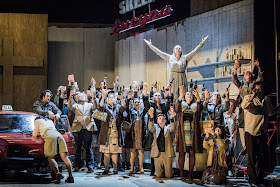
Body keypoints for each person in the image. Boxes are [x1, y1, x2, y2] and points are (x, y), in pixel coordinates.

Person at [144, 36, 208, 101]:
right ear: (174, 51)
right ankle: (174, 107)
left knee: (183, 92)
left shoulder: (185, 58)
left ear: (181, 51)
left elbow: (194, 52)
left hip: (182, 76)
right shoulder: (169, 57)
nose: (178, 49)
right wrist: (151, 46)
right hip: (173, 77)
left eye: (179, 48)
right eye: (176, 48)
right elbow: (159, 52)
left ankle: (184, 105)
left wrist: (201, 43)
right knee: (174, 93)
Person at [32, 90, 74, 184]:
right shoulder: (38, 104)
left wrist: (58, 114)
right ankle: (70, 177)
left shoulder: (39, 121)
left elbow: (57, 110)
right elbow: (37, 110)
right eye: (47, 96)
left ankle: (58, 174)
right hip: (56, 133)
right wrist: (48, 112)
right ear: (43, 96)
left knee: (51, 157)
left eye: (50, 96)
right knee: (64, 157)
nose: (49, 98)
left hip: (50, 133)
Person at [240, 82, 274, 185]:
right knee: (251, 157)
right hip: (250, 131)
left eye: (260, 90)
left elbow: (270, 112)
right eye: (256, 90)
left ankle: (260, 179)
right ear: (253, 90)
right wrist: (253, 96)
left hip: (261, 130)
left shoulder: (266, 100)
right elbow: (243, 106)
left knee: (261, 156)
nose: (258, 92)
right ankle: (252, 180)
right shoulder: (248, 98)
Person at [175, 86, 206, 180]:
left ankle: (190, 174)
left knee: (192, 152)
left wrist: (198, 97)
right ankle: (181, 173)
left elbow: (200, 108)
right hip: (183, 132)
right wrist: (180, 96)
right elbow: (177, 108)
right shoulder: (182, 105)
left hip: (192, 132)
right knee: (182, 153)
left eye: (190, 94)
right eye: (187, 94)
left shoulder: (195, 106)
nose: (189, 95)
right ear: (185, 96)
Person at [68, 91, 97, 173]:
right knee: (77, 147)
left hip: (88, 127)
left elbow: (95, 107)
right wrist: (70, 97)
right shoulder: (75, 105)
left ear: (85, 97)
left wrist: (93, 97)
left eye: (82, 95)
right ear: (77, 99)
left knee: (88, 147)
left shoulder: (90, 104)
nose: (81, 97)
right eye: (79, 96)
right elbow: (69, 106)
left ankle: (90, 165)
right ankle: (77, 165)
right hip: (78, 127)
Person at [98, 89, 126, 175]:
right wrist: (103, 97)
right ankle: (106, 169)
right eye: (110, 97)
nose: (112, 98)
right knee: (106, 151)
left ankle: (115, 169)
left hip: (115, 133)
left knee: (114, 151)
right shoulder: (105, 106)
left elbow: (123, 107)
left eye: (113, 97)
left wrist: (121, 99)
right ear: (107, 99)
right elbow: (100, 106)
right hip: (106, 132)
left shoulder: (117, 107)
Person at [148, 107, 176, 178]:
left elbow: (173, 128)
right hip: (158, 154)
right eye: (160, 118)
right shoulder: (155, 128)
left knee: (168, 175)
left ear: (166, 120)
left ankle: (169, 170)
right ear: (157, 121)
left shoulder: (168, 128)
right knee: (159, 175)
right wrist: (151, 117)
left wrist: (172, 118)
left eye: (163, 118)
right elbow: (150, 127)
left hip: (167, 153)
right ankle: (161, 170)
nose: (162, 119)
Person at [126, 97, 148, 175]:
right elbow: (126, 108)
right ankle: (132, 167)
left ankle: (141, 167)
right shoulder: (130, 112)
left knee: (140, 151)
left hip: (141, 133)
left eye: (138, 102)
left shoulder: (143, 112)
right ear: (133, 103)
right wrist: (128, 99)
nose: (136, 103)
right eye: (135, 102)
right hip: (132, 133)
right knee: (132, 152)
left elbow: (147, 107)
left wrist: (145, 96)